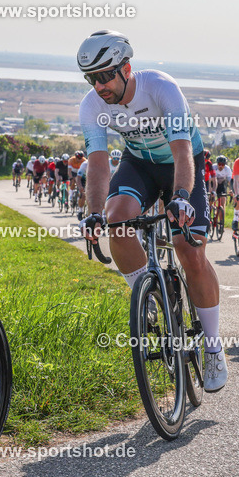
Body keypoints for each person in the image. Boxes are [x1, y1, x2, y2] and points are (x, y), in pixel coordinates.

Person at [76, 29, 227, 392]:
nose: (99, 86)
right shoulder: (92, 105)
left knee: (189, 250)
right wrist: (94, 211)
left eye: (104, 76)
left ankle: (213, 345)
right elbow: (97, 165)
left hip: (181, 162)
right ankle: (147, 293)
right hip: (139, 164)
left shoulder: (160, 87)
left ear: (126, 68)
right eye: (90, 78)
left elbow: (181, 152)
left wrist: (180, 196)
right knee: (116, 221)